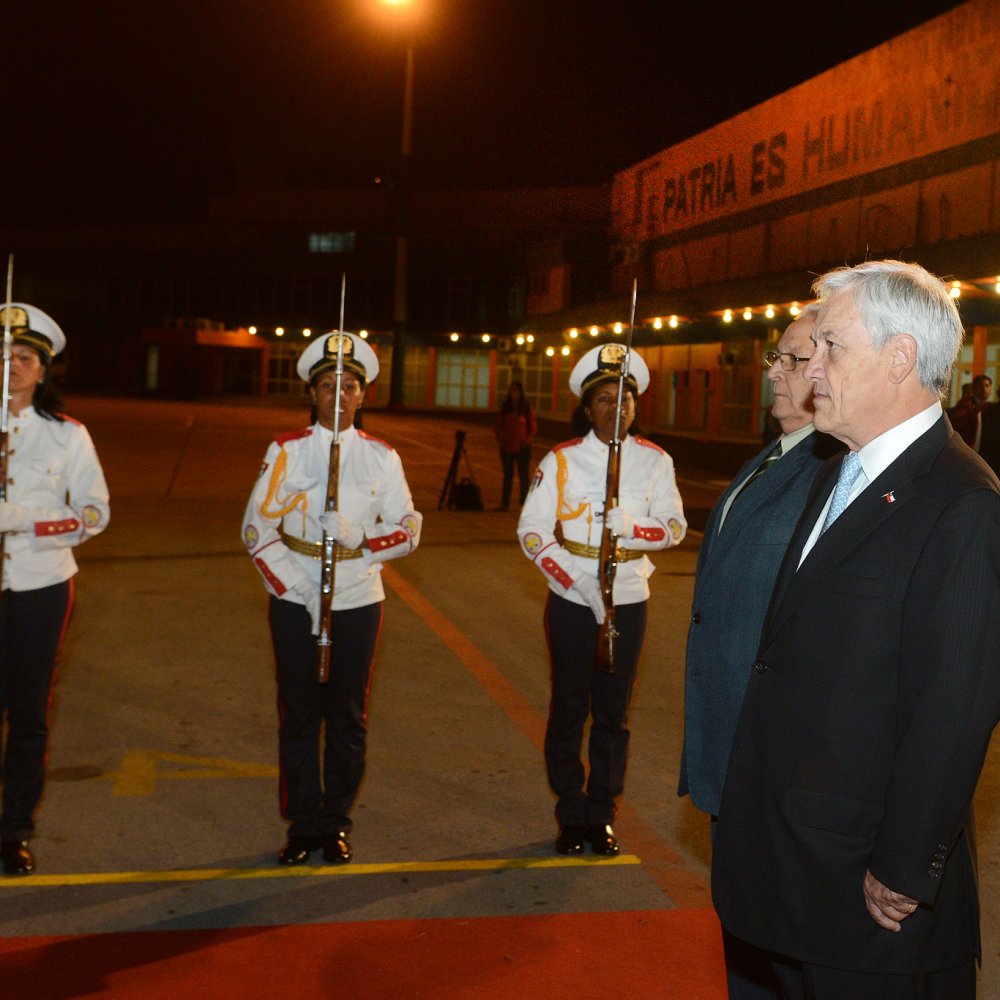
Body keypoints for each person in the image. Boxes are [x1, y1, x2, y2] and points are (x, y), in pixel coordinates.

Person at [712, 260, 1000, 1000]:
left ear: (899, 358)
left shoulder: (963, 503)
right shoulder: (835, 471)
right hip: (786, 865)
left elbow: (954, 705)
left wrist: (905, 865)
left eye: (831, 346)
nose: (811, 369)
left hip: (866, 896)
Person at [679, 307, 838, 998]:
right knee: (744, 935)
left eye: (793, 359)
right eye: (777, 356)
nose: (775, 371)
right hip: (730, 739)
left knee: (779, 946)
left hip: (771, 754)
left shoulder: (831, 471)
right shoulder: (770, 458)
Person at [242, 332, 422, 866]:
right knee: (299, 713)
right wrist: (297, 590)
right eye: (328, 385)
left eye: (349, 386)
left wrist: (362, 538)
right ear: (312, 393)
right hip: (295, 593)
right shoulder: (287, 450)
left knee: (348, 716)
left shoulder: (382, 457)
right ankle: (302, 824)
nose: (338, 395)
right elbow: (256, 530)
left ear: (363, 395)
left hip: (358, 595)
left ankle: (335, 822)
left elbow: (409, 528)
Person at [517, 343, 686, 856]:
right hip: (571, 597)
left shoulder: (655, 461)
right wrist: (576, 580)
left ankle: (601, 810)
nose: (616, 407)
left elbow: (676, 527)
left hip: (629, 595)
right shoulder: (562, 459)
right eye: (605, 399)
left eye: (625, 398)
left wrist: (635, 528)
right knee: (570, 705)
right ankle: (570, 810)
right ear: (587, 408)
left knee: (614, 711)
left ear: (636, 406)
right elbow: (532, 531)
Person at [0, 303, 110, 876]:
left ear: (43, 370)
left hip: (40, 586)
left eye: (25, 357)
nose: (13, 366)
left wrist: (23, 521)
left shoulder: (68, 436)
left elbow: (94, 513)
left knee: (29, 713)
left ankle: (13, 829)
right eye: (3, 356)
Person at [494, 380, 537, 510]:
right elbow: (498, 426)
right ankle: (504, 503)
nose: (514, 393)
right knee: (508, 475)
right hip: (507, 447)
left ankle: (524, 503)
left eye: (516, 390)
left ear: (520, 392)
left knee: (524, 476)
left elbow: (533, 428)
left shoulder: (526, 408)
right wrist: (501, 441)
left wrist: (527, 441)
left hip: (523, 448)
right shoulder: (505, 407)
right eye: (512, 390)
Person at [947, 373, 992, 449]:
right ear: (974, 388)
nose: (984, 389)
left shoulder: (989, 407)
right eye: (980, 386)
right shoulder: (965, 404)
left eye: (987, 386)